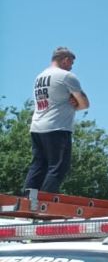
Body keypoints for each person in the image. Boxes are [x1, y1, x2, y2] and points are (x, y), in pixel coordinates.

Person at [23, 46, 90, 193]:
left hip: (37, 127)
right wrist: (76, 104)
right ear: (65, 60)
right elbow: (85, 103)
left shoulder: (39, 77)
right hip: (57, 127)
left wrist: (71, 102)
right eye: (71, 63)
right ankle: (44, 203)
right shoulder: (66, 76)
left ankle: (27, 200)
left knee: (38, 165)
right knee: (58, 167)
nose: (71, 67)